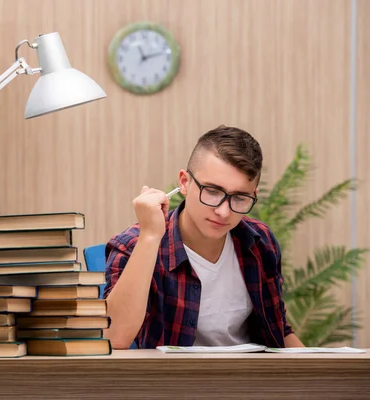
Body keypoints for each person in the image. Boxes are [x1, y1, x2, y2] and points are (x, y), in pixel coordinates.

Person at [103, 125, 305, 349]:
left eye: (239, 198)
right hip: (174, 381)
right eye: (212, 191)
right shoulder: (134, 245)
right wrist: (150, 236)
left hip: (249, 379)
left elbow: (279, 331)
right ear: (184, 183)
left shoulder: (260, 242)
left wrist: (319, 376)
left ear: (254, 195)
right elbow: (113, 339)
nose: (224, 212)